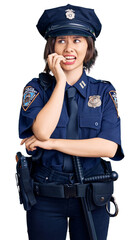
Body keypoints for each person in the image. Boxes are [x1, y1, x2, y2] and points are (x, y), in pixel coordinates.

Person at [19, 4, 124, 240]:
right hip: (46, 196)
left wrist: (53, 144)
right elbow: (41, 132)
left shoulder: (104, 91)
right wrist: (59, 84)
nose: (68, 48)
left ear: (88, 47)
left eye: (77, 40)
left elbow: (109, 147)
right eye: (61, 41)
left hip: (91, 194)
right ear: (51, 47)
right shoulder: (36, 88)